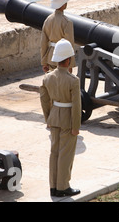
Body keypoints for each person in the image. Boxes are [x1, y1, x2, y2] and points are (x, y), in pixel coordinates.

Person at [39, 39, 81, 197]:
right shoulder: (73, 81)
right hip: (67, 119)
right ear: (68, 59)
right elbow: (76, 106)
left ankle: (53, 187)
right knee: (65, 154)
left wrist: (48, 118)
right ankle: (63, 187)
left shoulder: (48, 77)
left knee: (54, 153)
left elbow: (44, 99)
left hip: (54, 117)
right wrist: (76, 126)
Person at [40, 0, 75, 73]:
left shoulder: (48, 20)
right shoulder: (67, 22)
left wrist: (44, 62)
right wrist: (70, 65)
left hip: (51, 57)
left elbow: (43, 43)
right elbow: (70, 44)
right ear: (63, 4)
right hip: (63, 58)